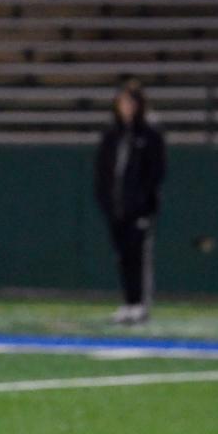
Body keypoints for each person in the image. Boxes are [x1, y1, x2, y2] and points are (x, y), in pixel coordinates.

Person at [94, 79, 166, 325]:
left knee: (139, 256)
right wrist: (105, 200)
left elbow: (156, 171)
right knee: (122, 256)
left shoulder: (149, 133)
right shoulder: (112, 135)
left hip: (139, 208)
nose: (125, 107)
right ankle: (128, 302)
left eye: (130, 102)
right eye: (122, 102)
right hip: (116, 207)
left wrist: (144, 202)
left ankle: (140, 305)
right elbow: (103, 171)